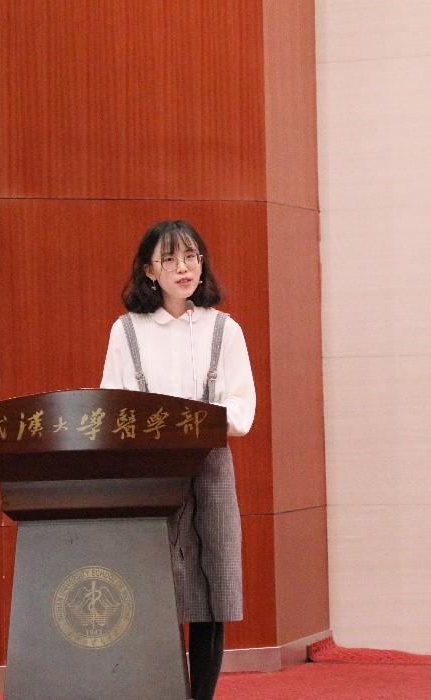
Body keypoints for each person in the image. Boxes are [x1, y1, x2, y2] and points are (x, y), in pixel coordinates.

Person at [100, 219, 256, 700]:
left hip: (209, 468)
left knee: (212, 589)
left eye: (191, 257)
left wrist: (192, 419)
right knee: (155, 588)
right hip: (150, 473)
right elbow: (111, 403)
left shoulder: (223, 329)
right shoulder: (127, 330)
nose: (184, 268)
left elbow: (242, 409)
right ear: (150, 271)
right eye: (169, 259)